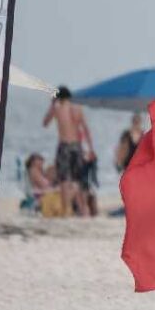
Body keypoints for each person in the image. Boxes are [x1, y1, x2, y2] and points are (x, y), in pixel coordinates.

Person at [42, 86, 95, 218]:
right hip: (77, 146)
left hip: (64, 146)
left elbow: (45, 123)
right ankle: (83, 209)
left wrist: (52, 104)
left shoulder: (57, 108)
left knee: (64, 179)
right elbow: (86, 130)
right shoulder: (78, 108)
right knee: (77, 179)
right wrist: (91, 148)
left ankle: (66, 210)